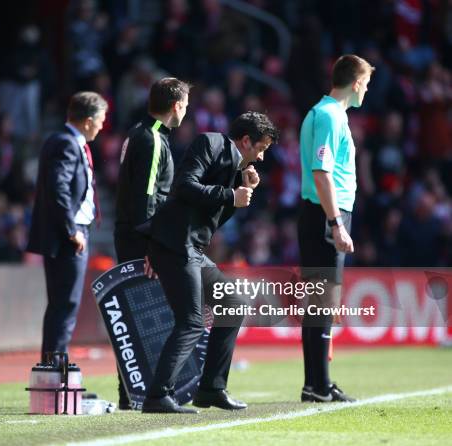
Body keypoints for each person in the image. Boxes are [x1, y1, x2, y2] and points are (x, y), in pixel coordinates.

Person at [142, 112, 279, 413]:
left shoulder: (234, 166)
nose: (263, 156)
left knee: (234, 303)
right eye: (261, 148)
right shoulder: (210, 143)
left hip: (191, 248)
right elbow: (184, 186)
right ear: (246, 141)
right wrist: (231, 194)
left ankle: (211, 389)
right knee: (191, 322)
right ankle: (157, 396)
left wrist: (243, 190)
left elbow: (212, 218)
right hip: (175, 245)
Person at [298, 54, 374, 403]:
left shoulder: (327, 113)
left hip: (323, 213)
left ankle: (316, 383)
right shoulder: (329, 115)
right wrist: (336, 223)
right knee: (323, 302)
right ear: (357, 82)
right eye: (367, 83)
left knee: (319, 303)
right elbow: (321, 172)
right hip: (326, 214)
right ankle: (319, 384)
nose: (367, 90)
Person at [114, 77, 190, 409]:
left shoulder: (138, 132)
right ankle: (142, 393)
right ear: (177, 105)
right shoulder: (153, 139)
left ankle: (131, 394)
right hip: (140, 240)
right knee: (145, 319)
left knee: (136, 318)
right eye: (186, 104)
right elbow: (145, 201)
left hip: (133, 235)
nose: (187, 110)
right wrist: (150, 247)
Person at [26, 92, 108, 361]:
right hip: (68, 236)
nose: (102, 125)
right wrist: (71, 229)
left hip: (71, 232)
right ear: (88, 120)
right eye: (100, 119)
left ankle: (54, 362)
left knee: (62, 303)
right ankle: (54, 365)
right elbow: (58, 188)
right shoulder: (65, 143)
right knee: (65, 303)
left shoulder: (69, 141)